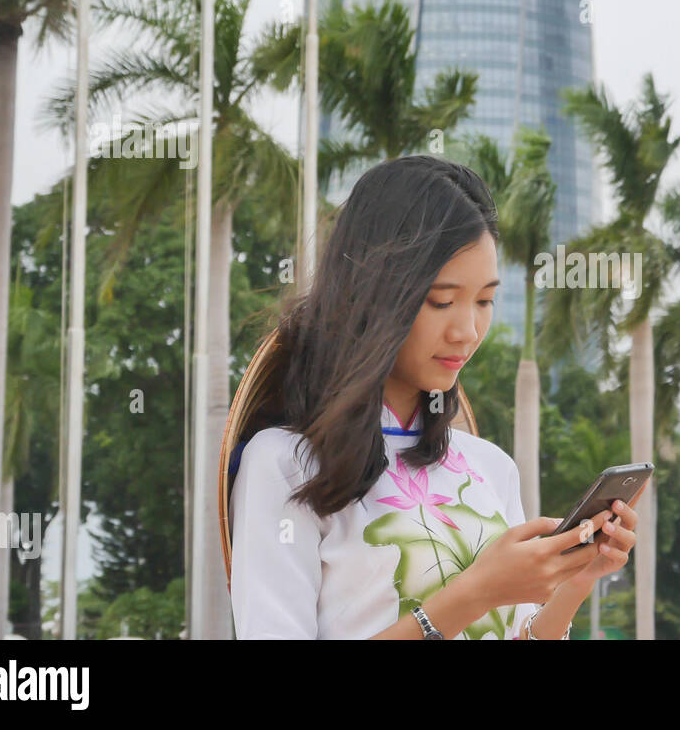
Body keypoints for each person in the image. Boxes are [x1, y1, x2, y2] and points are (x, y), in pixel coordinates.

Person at [228, 155, 645, 639]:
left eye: (485, 301)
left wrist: (574, 581)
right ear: (374, 295)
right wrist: (475, 594)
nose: (467, 332)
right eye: (441, 301)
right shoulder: (285, 465)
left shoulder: (490, 468)